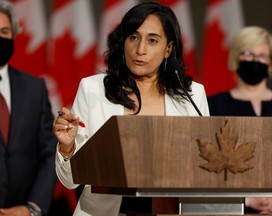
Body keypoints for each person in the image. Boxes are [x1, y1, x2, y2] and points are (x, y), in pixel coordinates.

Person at [53, 2, 209, 215]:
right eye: (133, 37)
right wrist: (67, 149)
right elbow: (71, 181)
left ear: (168, 49)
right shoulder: (92, 89)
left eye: (152, 40)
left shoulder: (191, 95)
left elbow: (204, 168)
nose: (140, 49)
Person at [208, 26, 272, 215]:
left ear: (271, 63)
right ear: (236, 57)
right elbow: (207, 169)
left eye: (262, 56)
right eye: (248, 53)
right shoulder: (213, 106)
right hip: (233, 210)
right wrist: (247, 199)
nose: (255, 60)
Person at [0, 1, 57, 216]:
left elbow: (50, 152)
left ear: (14, 35)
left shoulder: (35, 88)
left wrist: (32, 208)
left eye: (4, 31)